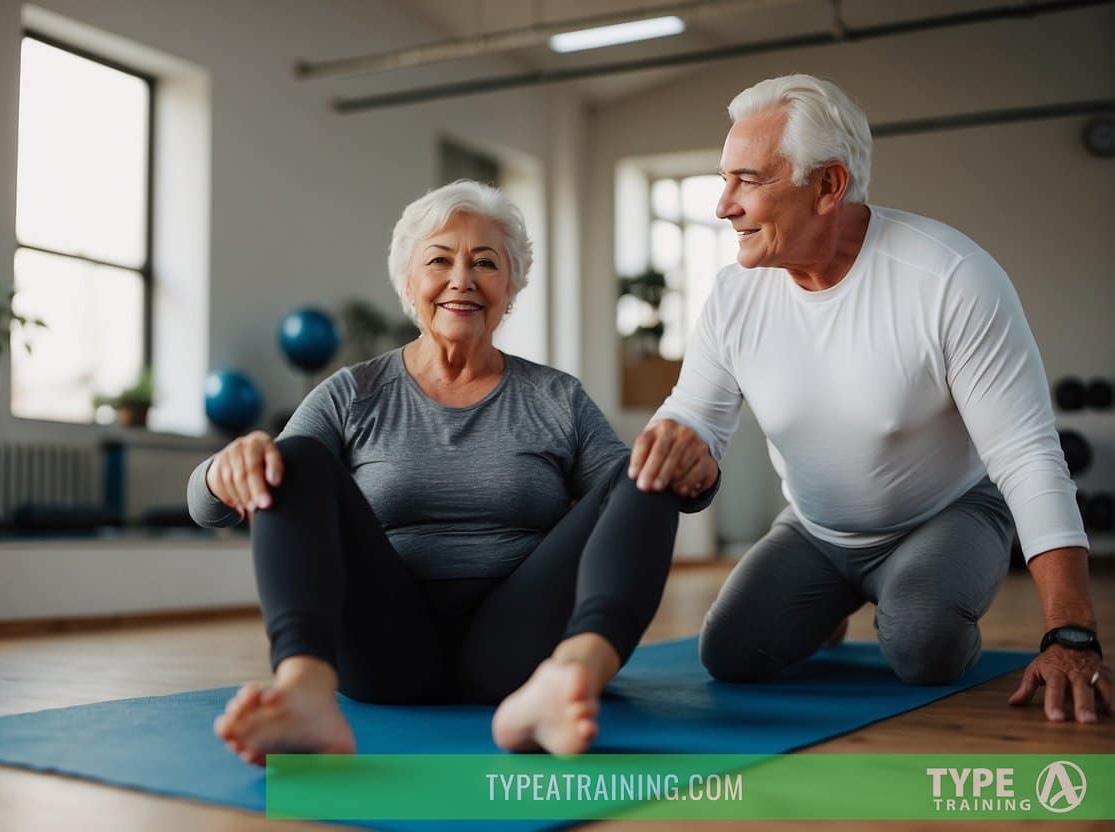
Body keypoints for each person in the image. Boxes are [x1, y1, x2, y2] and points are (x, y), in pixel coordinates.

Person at [630, 74, 1110, 723]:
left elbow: (1026, 454)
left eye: (747, 180)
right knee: (731, 655)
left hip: (946, 513)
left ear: (827, 185)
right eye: (724, 179)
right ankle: (829, 603)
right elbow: (695, 417)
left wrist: (1070, 631)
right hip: (816, 528)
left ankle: (920, 597)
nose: (723, 205)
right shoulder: (733, 295)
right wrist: (676, 439)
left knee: (921, 648)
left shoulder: (949, 278)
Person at [188, 180, 717, 764]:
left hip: (521, 648)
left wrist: (693, 468)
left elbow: (639, 502)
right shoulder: (352, 393)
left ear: (510, 287)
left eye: (485, 263)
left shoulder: (555, 398)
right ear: (409, 284)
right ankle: (305, 693)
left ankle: (570, 679)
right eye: (439, 260)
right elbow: (208, 505)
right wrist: (225, 469)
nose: (462, 279)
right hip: (384, 645)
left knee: (644, 464)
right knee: (292, 457)